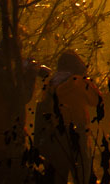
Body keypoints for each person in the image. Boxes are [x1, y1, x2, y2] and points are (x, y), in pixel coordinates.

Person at [0, 42, 47, 184]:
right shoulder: (1, 74)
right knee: (7, 174)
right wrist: (30, 75)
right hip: (4, 133)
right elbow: (21, 98)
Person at [34, 49, 103, 184]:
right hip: (78, 133)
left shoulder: (50, 84)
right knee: (82, 174)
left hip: (55, 135)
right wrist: (86, 79)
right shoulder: (78, 82)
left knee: (58, 176)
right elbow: (97, 100)